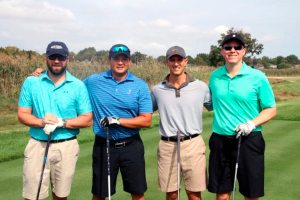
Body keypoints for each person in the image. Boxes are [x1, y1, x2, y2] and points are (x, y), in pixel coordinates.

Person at [18, 41, 93, 200]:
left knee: (60, 195)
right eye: (53, 57)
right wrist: (41, 123)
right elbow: (22, 114)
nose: (56, 61)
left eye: (60, 57)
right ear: (47, 58)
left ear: (67, 59)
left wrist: (61, 122)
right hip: (37, 144)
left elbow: (87, 119)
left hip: (66, 146)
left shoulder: (78, 86)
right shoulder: (32, 82)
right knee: (32, 196)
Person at [207, 33, 277, 200]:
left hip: (249, 140)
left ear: (244, 51)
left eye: (237, 47)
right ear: (222, 51)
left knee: (251, 195)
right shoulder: (215, 77)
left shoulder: (257, 77)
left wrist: (251, 124)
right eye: (228, 47)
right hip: (220, 139)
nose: (232, 50)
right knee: (222, 194)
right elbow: (209, 102)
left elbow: (271, 109)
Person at [83, 44, 153, 200]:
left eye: (124, 59)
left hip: (131, 145)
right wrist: (42, 73)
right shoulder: (94, 81)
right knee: (100, 193)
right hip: (104, 144)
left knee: (138, 192)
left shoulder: (139, 85)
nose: (120, 62)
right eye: (116, 59)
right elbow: (71, 85)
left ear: (129, 61)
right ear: (109, 60)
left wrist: (117, 121)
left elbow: (146, 120)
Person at [151, 46, 212, 200]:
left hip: (193, 143)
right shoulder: (157, 89)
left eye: (179, 60)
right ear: (167, 62)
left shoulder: (201, 87)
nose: (176, 63)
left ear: (186, 62)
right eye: (172, 60)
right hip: (167, 145)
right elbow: (145, 112)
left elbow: (217, 107)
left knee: (194, 194)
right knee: (171, 194)